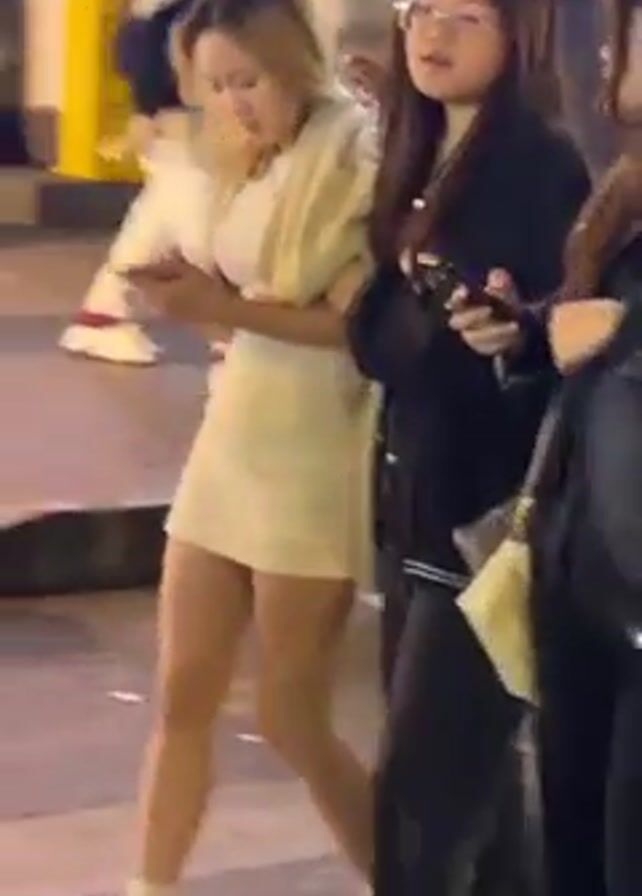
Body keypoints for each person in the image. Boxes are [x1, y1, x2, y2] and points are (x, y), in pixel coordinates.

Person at [110, 1, 378, 894]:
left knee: (292, 712)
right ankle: (150, 884)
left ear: (294, 62)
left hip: (317, 439)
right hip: (235, 426)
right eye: (217, 85)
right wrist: (194, 296)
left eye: (248, 80)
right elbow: (246, 296)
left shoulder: (352, 153)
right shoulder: (235, 158)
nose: (233, 103)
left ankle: (406, 873)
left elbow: (351, 327)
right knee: (183, 686)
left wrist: (220, 307)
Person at [346, 0, 591, 893]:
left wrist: (506, 333)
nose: (433, 34)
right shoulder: (419, 152)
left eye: (465, 17)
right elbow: (374, 336)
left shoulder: (539, 164)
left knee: (423, 804)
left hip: (485, 523)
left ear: (516, 36)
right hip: (416, 504)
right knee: (477, 814)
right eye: (421, 11)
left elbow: (553, 339)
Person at [532, 1, 642, 893]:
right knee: (575, 845)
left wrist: (620, 339)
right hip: (584, 574)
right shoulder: (622, 194)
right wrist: (526, 331)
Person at [59, 0, 194, 365]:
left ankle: (102, 315)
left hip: (178, 122)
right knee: (187, 215)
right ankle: (103, 315)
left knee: (163, 218)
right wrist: (149, 110)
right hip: (182, 126)